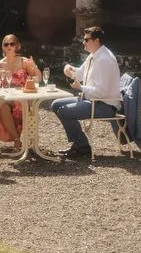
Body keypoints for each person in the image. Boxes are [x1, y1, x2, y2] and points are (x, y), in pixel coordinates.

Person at [50, 25, 122, 160]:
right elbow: (81, 75)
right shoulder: (93, 56)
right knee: (56, 104)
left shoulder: (104, 60)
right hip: (91, 100)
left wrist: (81, 88)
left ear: (97, 41)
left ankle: (82, 146)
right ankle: (80, 144)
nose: (83, 42)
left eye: (86, 40)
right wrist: (70, 70)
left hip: (105, 105)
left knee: (64, 111)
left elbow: (102, 92)